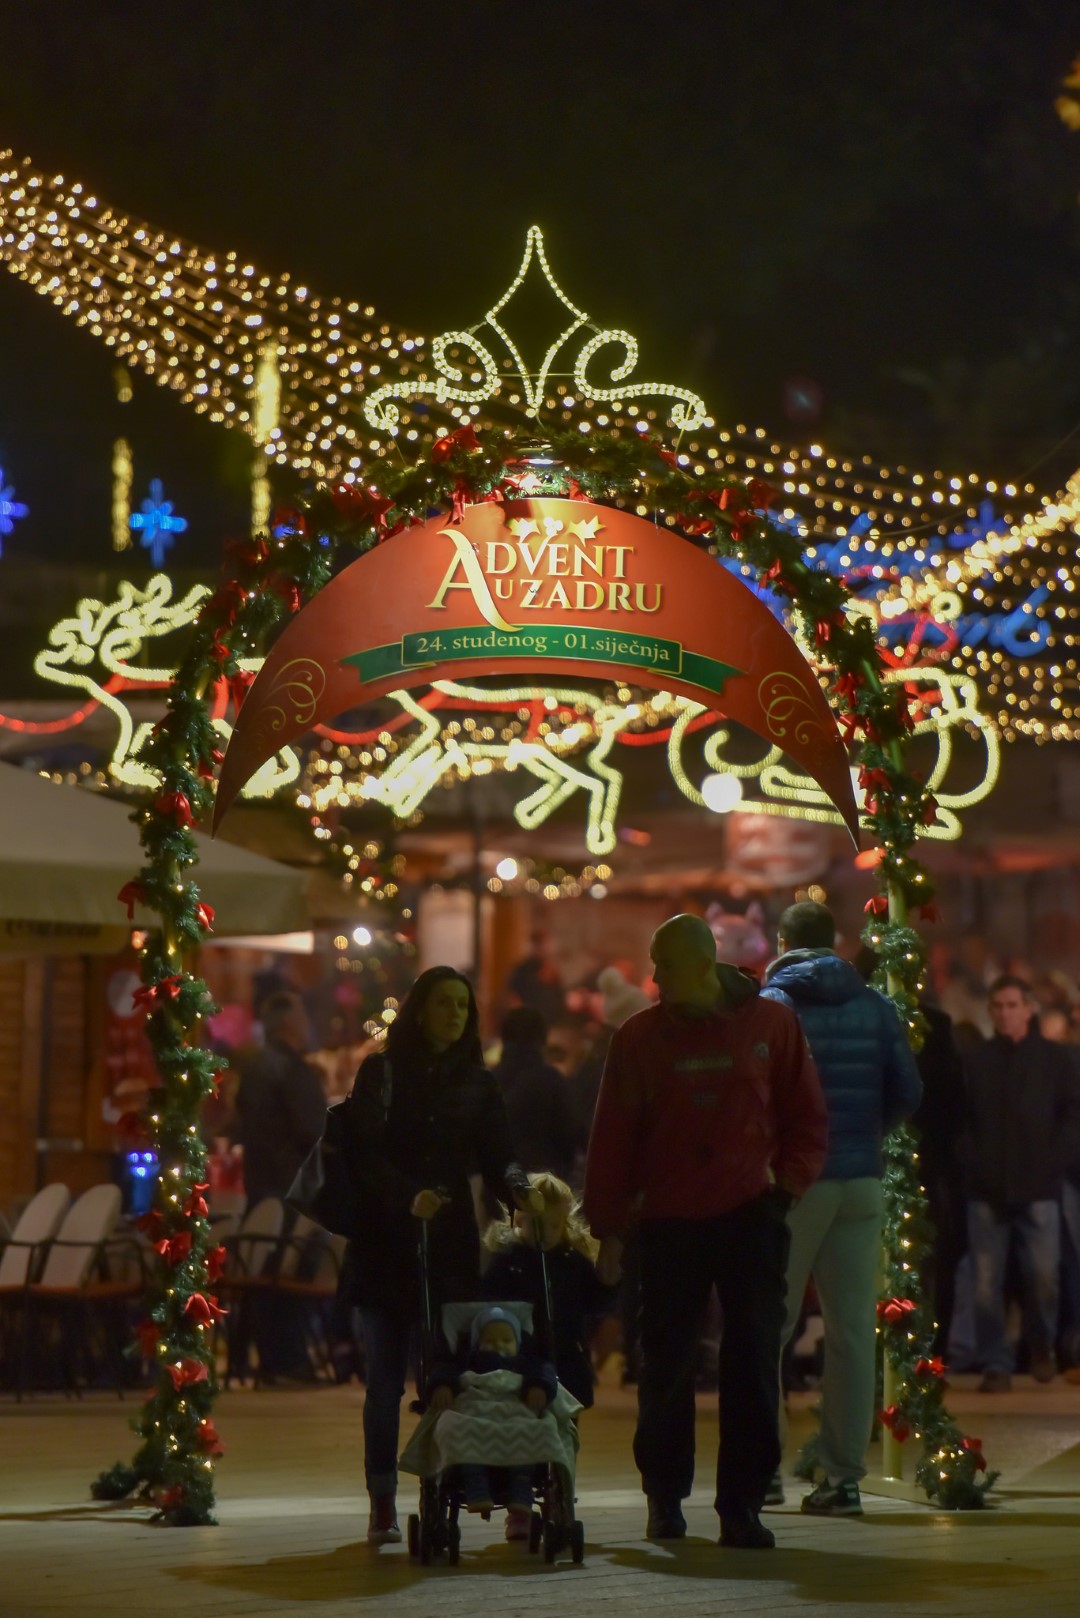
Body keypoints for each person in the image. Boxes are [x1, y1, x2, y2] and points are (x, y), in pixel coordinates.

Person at [584, 913, 828, 1550]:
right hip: (666, 1221)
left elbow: (806, 1115)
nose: (656, 977)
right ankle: (665, 1499)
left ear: (700, 964)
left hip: (750, 1214)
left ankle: (742, 1504)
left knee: (750, 1365)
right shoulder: (639, 1038)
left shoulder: (771, 1025)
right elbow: (613, 1135)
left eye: (664, 965)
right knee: (663, 1365)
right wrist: (608, 1227)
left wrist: (785, 1186)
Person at [336, 966, 543, 1545]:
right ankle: (382, 1497)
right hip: (386, 1241)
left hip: (447, 1244)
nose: (454, 1014)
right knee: (384, 1378)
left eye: (462, 1006)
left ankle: (458, 1485)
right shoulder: (381, 1072)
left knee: (454, 1373)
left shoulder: (478, 1082)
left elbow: (499, 1152)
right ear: (420, 1009)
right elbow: (364, 1152)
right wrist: (407, 1197)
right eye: (444, 1004)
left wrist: (521, 1190)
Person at [762, 901, 922, 1515]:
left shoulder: (776, 1006)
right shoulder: (876, 1004)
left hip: (795, 1184)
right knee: (853, 1333)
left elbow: (764, 1095)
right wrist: (865, 1133)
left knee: (769, 1325)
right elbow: (908, 1090)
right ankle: (843, 1479)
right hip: (861, 1179)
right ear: (835, 943)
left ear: (783, 942)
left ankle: (764, 1470)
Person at [959, 974, 1080, 1391]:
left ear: (1029, 1008)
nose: (1005, 1013)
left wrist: (1054, 1163)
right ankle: (996, 1362)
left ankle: (1041, 1344)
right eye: (998, 1006)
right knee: (986, 1285)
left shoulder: (1055, 1060)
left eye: (1013, 1005)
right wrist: (974, 1166)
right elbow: (965, 1123)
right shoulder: (977, 1061)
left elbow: (1070, 1116)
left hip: (1039, 1185)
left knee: (1044, 1275)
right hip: (987, 1188)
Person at [484, 1170, 614, 1412]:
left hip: (567, 1358)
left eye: (554, 1225)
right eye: (537, 1224)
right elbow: (490, 1304)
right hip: (519, 1360)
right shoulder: (508, 1261)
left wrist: (610, 1282)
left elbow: (595, 1302)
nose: (546, 1233)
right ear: (520, 1219)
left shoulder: (572, 1261)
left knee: (566, 1427)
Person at [427, 1305, 558, 1521]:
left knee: (535, 1429)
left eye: (507, 1340)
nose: (499, 1345)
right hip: (475, 1411)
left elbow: (544, 1371)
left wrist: (538, 1386)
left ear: (519, 1343)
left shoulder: (526, 1363)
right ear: (477, 1344)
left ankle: (521, 1484)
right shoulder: (470, 1360)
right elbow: (446, 1370)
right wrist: (443, 1385)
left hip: (515, 1412)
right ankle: (475, 1482)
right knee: (453, 1425)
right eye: (490, 1341)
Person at [235, 991, 326, 1208]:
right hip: (290, 1185)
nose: (307, 1024)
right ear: (289, 1022)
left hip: (257, 1180)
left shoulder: (254, 1067)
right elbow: (312, 1128)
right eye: (303, 1017)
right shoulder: (292, 1069)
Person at [493, 1007, 577, 1183]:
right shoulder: (551, 1081)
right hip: (542, 1185)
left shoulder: (489, 1080)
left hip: (496, 1185)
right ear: (543, 1038)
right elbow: (570, 1136)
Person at [506, 928, 567, 1028]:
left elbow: (559, 996)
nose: (545, 949)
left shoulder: (552, 971)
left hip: (550, 1023)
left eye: (547, 945)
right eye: (541, 945)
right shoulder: (522, 970)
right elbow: (513, 996)